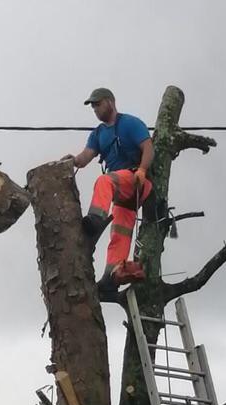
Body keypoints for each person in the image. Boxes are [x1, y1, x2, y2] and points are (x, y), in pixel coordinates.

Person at [65, 88, 154, 296]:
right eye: (93, 106)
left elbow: (148, 148)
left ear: (110, 103)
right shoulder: (97, 134)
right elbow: (86, 157)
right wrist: (73, 160)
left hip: (136, 180)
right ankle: (112, 277)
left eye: (98, 104)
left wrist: (142, 169)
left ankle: (95, 218)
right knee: (119, 234)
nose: (95, 109)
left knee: (105, 181)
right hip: (125, 195)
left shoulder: (130, 124)